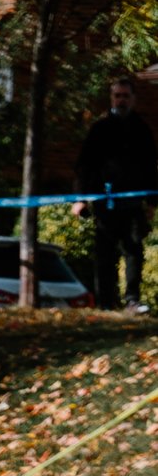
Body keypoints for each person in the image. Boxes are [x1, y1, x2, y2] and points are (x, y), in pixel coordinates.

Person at [79, 76, 158, 311]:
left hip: (133, 203)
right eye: (117, 96)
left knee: (134, 249)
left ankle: (132, 299)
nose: (121, 100)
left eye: (125, 96)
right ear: (111, 98)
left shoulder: (142, 130)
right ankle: (105, 302)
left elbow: (150, 167)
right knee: (105, 253)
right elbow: (85, 165)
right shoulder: (100, 129)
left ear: (133, 99)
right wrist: (81, 198)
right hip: (106, 201)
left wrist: (152, 202)